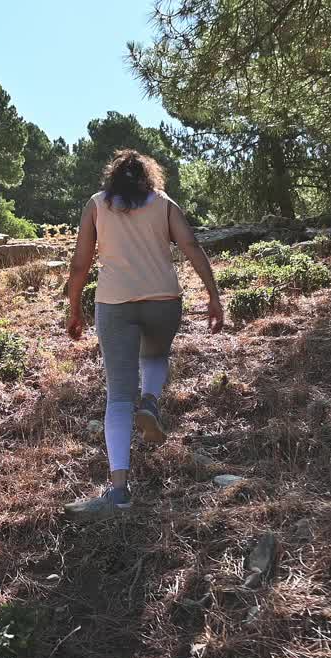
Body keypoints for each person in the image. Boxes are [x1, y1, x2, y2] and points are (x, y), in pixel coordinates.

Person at [63, 149, 223, 515]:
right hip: (164, 300)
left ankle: (119, 492)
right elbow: (191, 247)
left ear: (112, 177)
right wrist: (213, 295)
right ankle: (150, 401)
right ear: (150, 177)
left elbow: (80, 263)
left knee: (118, 397)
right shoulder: (164, 203)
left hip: (115, 303)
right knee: (155, 355)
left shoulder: (96, 205)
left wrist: (74, 308)